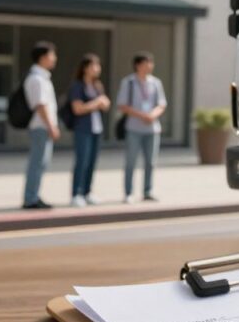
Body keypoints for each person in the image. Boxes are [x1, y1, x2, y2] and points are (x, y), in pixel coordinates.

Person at [117, 52, 167, 203]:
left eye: (151, 63)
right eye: (146, 63)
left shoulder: (155, 83)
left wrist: (152, 115)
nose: (149, 66)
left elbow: (162, 104)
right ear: (138, 65)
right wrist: (142, 115)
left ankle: (147, 191)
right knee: (131, 161)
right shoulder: (129, 82)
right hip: (134, 128)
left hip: (152, 129)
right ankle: (128, 192)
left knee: (151, 162)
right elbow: (122, 105)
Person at [68, 54, 111, 207]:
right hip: (83, 129)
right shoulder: (78, 86)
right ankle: (76, 193)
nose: (97, 69)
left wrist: (102, 103)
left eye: (98, 65)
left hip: (96, 129)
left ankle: (87, 192)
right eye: (94, 65)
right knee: (82, 161)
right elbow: (78, 109)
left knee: (92, 162)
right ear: (85, 68)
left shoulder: (97, 85)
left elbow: (105, 105)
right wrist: (97, 102)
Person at [22, 41, 60, 210]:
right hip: (40, 127)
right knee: (37, 163)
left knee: (42, 163)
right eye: (52, 55)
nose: (54, 59)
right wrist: (51, 126)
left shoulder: (43, 77)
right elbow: (40, 105)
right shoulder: (36, 79)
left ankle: (34, 195)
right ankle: (30, 198)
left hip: (43, 126)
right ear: (43, 57)